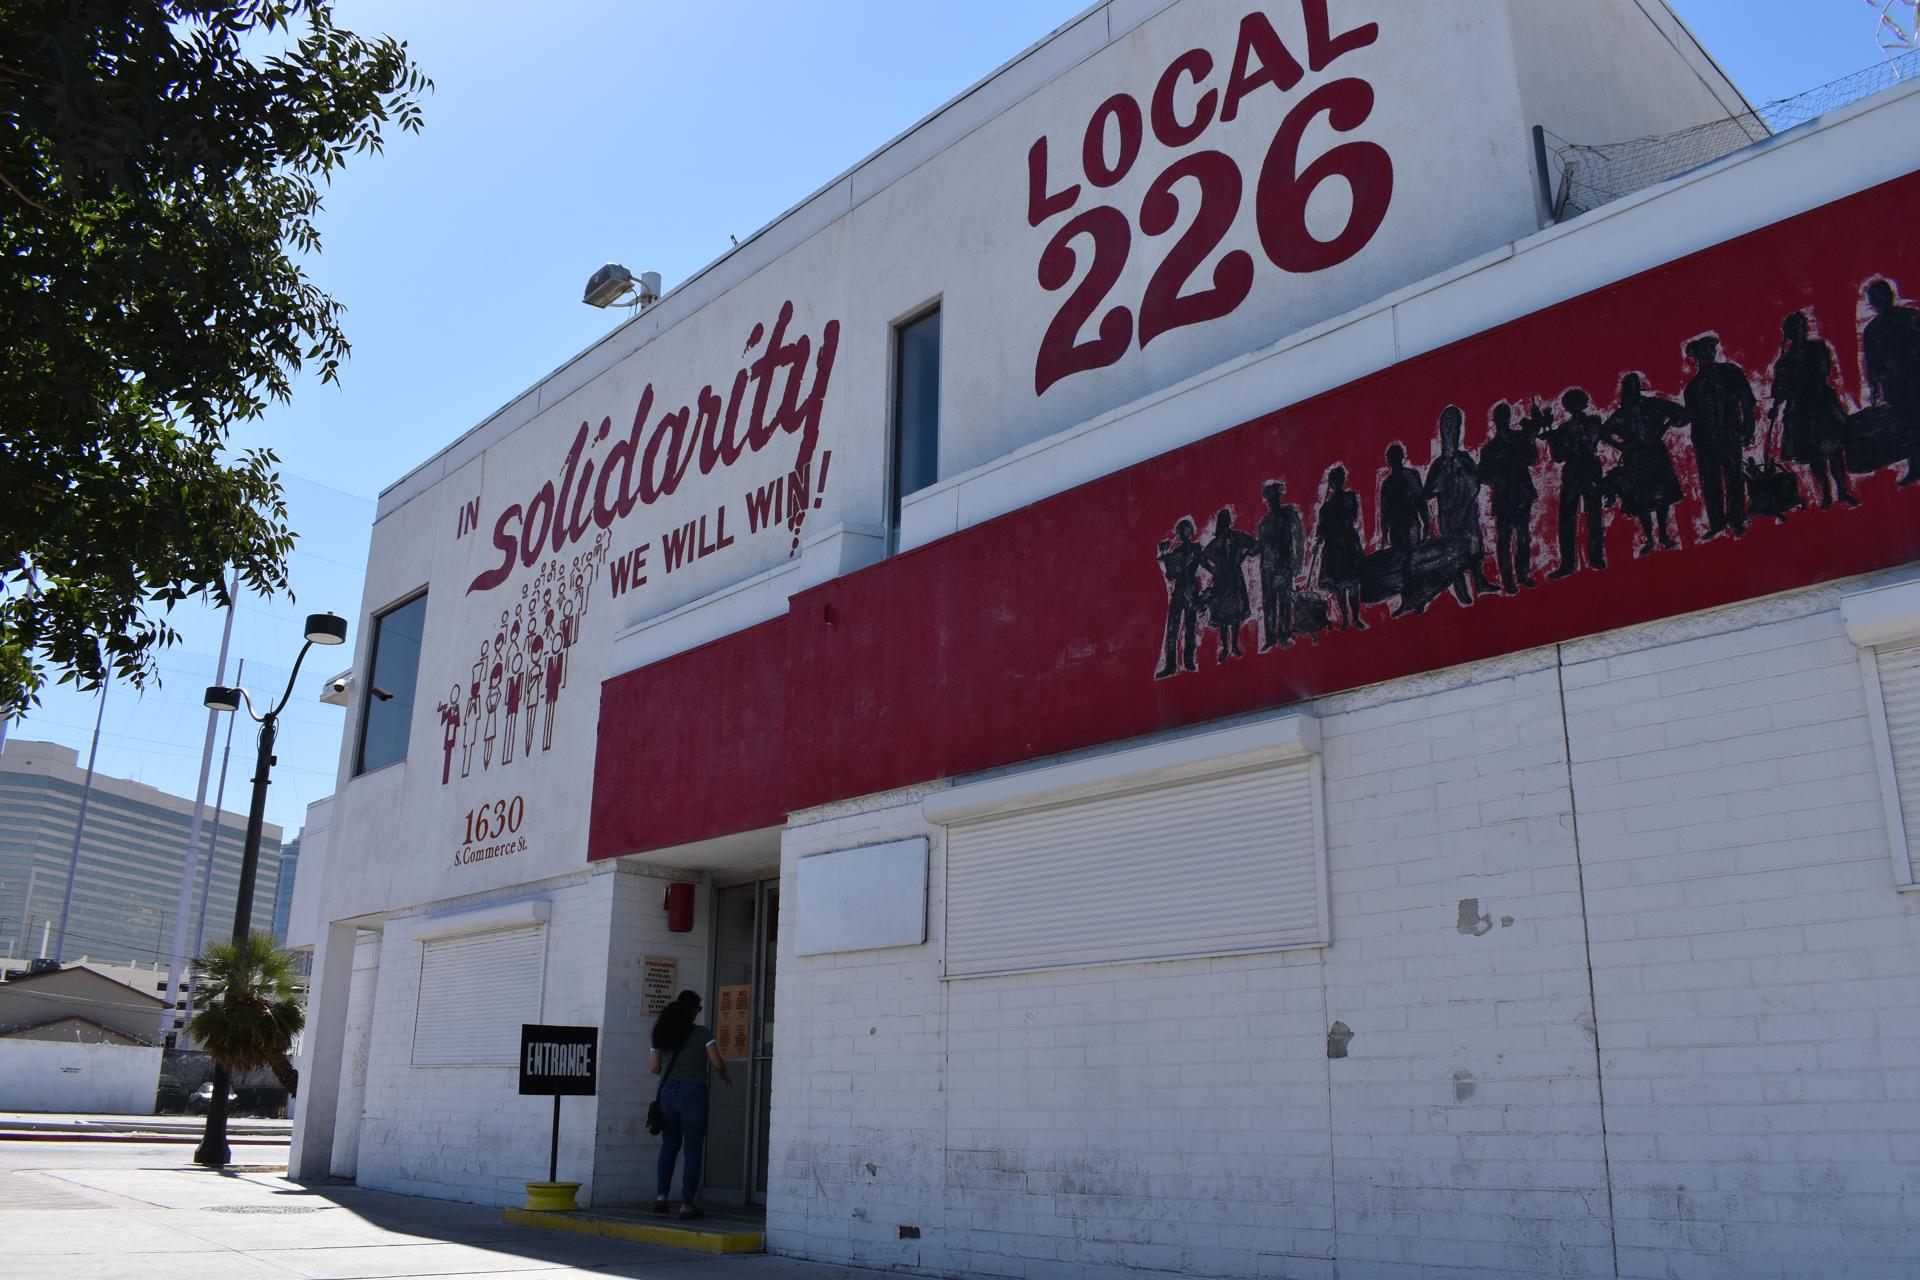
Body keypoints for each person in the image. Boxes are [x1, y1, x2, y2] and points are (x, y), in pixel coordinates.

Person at [649, 989, 732, 1220]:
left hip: (667, 1093)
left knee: (668, 1147)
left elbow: (654, 1067)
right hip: (693, 1092)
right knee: (693, 1150)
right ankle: (687, 1205)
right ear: (694, 1010)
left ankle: (661, 1198)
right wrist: (724, 1074)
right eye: (699, 1008)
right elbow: (716, 1062)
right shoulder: (703, 1034)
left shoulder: (661, 1033)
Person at [1771, 310, 1858, 509]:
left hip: (1821, 404)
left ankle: (1843, 492)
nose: (1801, 331)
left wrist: (1800, 378)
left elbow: (1825, 369)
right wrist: (1777, 402)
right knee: (1813, 455)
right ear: (1789, 333)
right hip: (1800, 410)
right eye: (1796, 328)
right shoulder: (1784, 361)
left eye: (1803, 326)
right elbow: (1780, 389)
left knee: (1834, 450)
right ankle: (1826, 494)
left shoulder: (1817, 347)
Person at [1680, 337, 1757, 539]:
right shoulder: (1693, 387)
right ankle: (1717, 523)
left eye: (1706, 352)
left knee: (1734, 478)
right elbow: (1691, 416)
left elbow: (1747, 402)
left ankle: (1737, 520)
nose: (1702, 357)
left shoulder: (1731, 372)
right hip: (1704, 442)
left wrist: (1749, 429)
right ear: (1694, 359)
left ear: (1713, 353)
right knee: (1710, 481)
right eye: (1698, 355)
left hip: (1730, 435)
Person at [1603, 373, 1687, 553]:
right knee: (1641, 500)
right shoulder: (1622, 413)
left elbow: (1680, 413)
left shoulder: (1653, 404)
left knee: (1663, 497)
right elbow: (1604, 432)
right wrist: (1621, 446)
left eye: (1635, 386)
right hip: (1636, 458)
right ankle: (1649, 538)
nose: (1632, 391)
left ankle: (1664, 535)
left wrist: (1667, 423)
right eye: (1629, 387)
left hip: (1656, 454)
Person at [1422, 405, 1488, 605]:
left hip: (1466, 511)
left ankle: (1480, 582)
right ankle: (1461, 591)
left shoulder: (1465, 459)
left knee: (1475, 548)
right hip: (1449, 516)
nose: (1450, 431)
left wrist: (1466, 476)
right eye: (1447, 426)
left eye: (1454, 426)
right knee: (1454, 553)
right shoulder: (1439, 465)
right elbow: (1427, 492)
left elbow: (1477, 480)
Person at [1541, 388, 1608, 576]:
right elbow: (1558, 457)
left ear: (1583, 403)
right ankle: (1568, 564)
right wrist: (1553, 439)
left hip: (1590, 471)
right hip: (1572, 473)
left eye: (1577, 403)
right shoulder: (1563, 429)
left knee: (1594, 515)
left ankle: (1596, 558)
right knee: (1567, 519)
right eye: (1570, 405)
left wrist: (1562, 438)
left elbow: (1589, 444)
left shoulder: (1594, 422)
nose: (1574, 408)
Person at [1478, 401, 1542, 593]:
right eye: (1500, 417)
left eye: (1506, 416)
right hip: (1504, 497)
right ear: (1496, 420)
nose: (1503, 420)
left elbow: (1532, 459)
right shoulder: (1489, 449)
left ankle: (1523, 575)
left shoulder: (1520, 438)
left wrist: (1530, 437)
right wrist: (1497, 477)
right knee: (1504, 541)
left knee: (1523, 538)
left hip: (1521, 495)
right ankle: (1508, 581)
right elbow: (1482, 474)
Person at [1863, 278, 1920, 485]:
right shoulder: (1872, 330)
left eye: (1880, 297)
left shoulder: (1910, 317)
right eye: (1874, 299)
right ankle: (1916, 467)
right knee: (1910, 428)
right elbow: (1873, 364)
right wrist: (1875, 389)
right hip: (1895, 387)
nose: (1878, 302)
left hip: (1915, 378)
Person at [1201, 507, 1260, 662]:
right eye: (1223, 520)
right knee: (1223, 616)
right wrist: (1214, 570)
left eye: (1226, 520)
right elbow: (1203, 558)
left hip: (1234, 577)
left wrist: (1245, 554)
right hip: (1222, 580)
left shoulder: (1237, 537)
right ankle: (1226, 647)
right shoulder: (1217, 541)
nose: (1225, 523)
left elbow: (1256, 546)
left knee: (1234, 614)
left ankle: (1233, 646)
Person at [1378, 443, 1429, 616]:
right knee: (1402, 564)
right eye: (1391, 458)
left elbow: (1420, 500)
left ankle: (1418, 599)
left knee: (1412, 561)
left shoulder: (1411, 476)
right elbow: (1384, 511)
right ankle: (1408, 600)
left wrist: (1426, 522)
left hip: (1410, 524)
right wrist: (1384, 533)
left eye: (1395, 457)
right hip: (1396, 528)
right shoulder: (1388, 484)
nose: (1393, 461)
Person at [1315, 466, 1367, 631]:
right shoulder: (1326, 507)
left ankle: (1354, 618)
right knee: (1340, 584)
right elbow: (1321, 531)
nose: (1338, 483)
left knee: (1351, 583)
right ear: (1332, 484)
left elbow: (1353, 517)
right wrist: (1317, 544)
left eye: (1339, 480)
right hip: (1336, 546)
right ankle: (1346, 618)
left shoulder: (1348, 499)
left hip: (1346, 543)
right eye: (1335, 481)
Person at [1256, 481, 1304, 651]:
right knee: (1269, 602)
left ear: (1279, 496)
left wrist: (1298, 562)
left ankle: (1284, 635)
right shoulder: (1264, 523)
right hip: (1268, 566)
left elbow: (1299, 538)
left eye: (1274, 496)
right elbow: (1261, 547)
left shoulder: (1289, 513)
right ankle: (1270, 638)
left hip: (1285, 564)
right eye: (1268, 498)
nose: (1270, 501)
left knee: (1284, 600)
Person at [1155, 518, 1206, 677]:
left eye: (1185, 530)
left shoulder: (1197, 549)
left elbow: (1200, 563)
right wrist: (1164, 555)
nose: (1182, 534)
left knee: (1189, 627)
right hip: (1179, 590)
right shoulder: (1175, 552)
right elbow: (1171, 575)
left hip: (1190, 589)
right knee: (1173, 629)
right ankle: (1171, 665)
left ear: (1190, 532)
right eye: (1181, 531)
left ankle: (1188, 661)